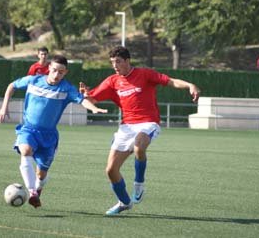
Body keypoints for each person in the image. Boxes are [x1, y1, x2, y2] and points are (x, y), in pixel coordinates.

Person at [80, 46, 200, 216]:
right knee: (110, 170)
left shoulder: (145, 74)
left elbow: (170, 81)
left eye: (118, 62)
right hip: (126, 127)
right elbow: (92, 98)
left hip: (148, 123)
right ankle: (124, 202)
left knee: (139, 146)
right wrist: (86, 96)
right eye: (113, 62)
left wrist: (189, 85)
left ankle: (139, 184)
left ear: (128, 61)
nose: (115, 65)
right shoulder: (112, 81)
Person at [0, 55, 107, 208]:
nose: (57, 75)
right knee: (26, 150)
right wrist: (4, 106)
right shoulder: (33, 80)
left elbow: (82, 100)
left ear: (66, 72)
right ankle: (32, 192)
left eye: (61, 72)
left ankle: (39, 187)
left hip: (49, 137)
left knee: (41, 174)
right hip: (29, 129)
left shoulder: (67, 89)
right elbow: (12, 86)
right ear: (49, 67)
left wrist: (94, 108)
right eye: (54, 70)